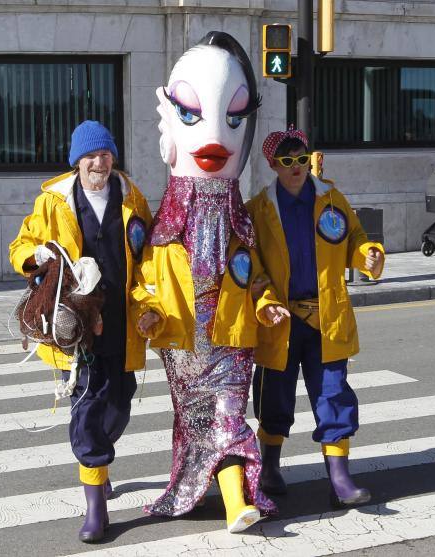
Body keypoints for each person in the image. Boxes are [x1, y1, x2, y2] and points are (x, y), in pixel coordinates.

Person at [137, 31, 282, 534]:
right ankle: (202, 486)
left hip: (230, 335)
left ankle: (235, 502)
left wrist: (264, 304)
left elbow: (255, 274)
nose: (218, 133)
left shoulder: (239, 222)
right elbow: (146, 281)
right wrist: (147, 310)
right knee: (196, 421)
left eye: (235, 116)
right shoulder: (163, 229)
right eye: (192, 113)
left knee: (228, 416)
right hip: (181, 338)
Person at [9, 120, 159, 543]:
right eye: (91, 156)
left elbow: (147, 260)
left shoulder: (132, 198)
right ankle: (96, 504)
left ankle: (100, 461)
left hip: (121, 321)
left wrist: (149, 306)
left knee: (121, 403)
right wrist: (34, 254)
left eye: (106, 154)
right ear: (77, 161)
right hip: (75, 324)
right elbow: (19, 246)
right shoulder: (54, 202)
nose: (99, 162)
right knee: (89, 407)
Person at [246, 127, 385, 508]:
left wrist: (368, 254)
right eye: (287, 161)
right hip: (280, 320)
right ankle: (270, 467)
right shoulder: (258, 209)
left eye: (301, 159)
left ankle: (339, 478)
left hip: (326, 318)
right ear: (272, 164)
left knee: (334, 394)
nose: (296, 167)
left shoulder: (331, 199)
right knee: (274, 395)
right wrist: (265, 301)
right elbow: (251, 265)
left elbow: (353, 238)